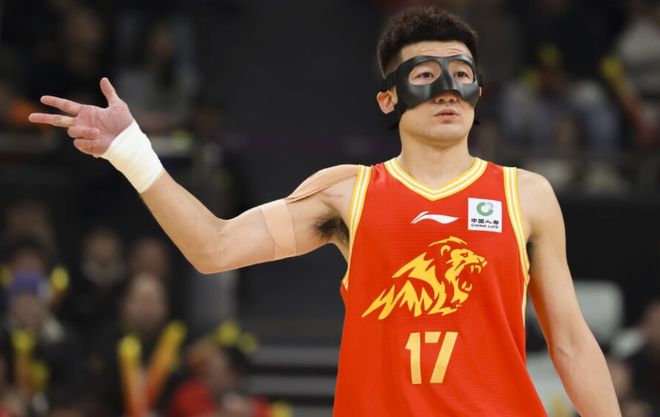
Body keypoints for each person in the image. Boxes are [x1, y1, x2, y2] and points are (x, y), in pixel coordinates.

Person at [28, 6, 621, 416]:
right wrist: (131, 152)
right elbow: (213, 248)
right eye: (425, 75)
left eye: (462, 75)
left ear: (478, 94)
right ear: (388, 98)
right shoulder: (347, 193)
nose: (447, 88)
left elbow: (570, 342)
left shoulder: (527, 194)